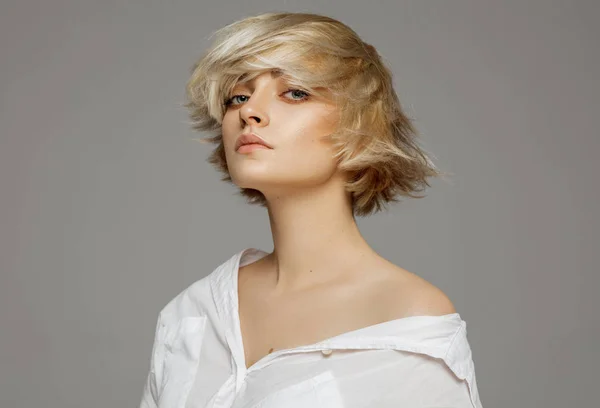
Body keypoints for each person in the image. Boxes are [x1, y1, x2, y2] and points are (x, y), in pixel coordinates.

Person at [139, 11, 483, 408]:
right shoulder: (194, 314)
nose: (249, 112)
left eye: (296, 92)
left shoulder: (405, 319)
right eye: (238, 96)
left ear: (360, 126)